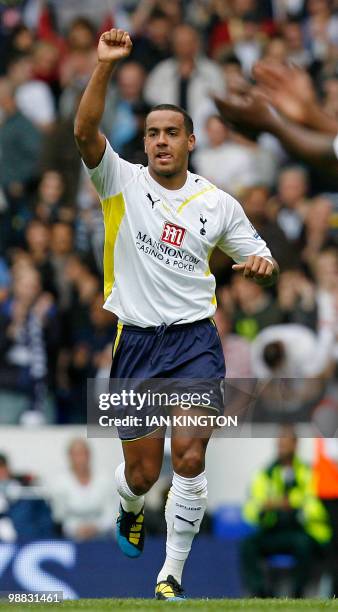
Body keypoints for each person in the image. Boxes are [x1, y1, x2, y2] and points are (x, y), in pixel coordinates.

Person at [74, 28, 279, 600]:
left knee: (189, 457)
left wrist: (263, 267)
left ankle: (172, 576)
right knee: (143, 473)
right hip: (135, 344)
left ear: (190, 140)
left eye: (171, 133)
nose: (160, 142)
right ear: (144, 143)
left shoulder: (218, 202)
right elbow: (84, 131)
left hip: (194, 342)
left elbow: (259, 256)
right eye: (152, 134)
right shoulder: (119, 181)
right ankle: (129, 504)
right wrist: (104, 66)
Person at [241, 426, 332, 598]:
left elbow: (311, 500)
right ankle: (261, 593)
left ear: (295, 445)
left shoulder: (307, 472)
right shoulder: (265, 473)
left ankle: (298, 593)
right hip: (273, 529)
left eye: (285, 444)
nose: (281, 448)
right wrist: (265, 508)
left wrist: (289, 502)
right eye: (279, 445)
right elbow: (253, 506)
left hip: (300, 530)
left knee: (305, 546)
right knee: (248, 545)